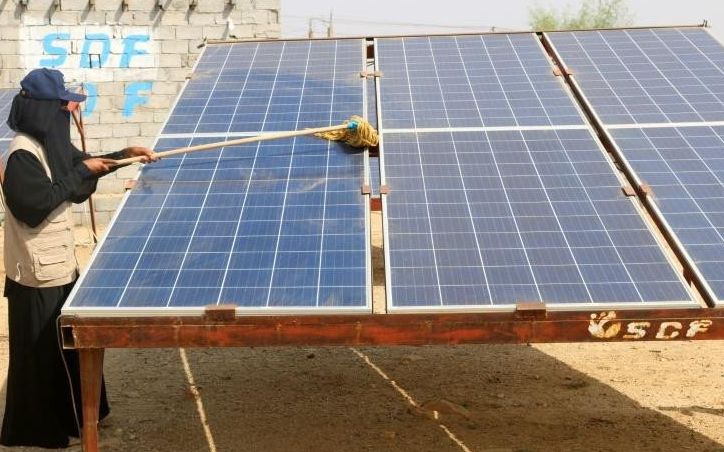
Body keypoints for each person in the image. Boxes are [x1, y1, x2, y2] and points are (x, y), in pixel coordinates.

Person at [0, 68, 157, 448]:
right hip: (36, 277)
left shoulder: (51, 145)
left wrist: (122, 157)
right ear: (42, 110)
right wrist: (81, 173)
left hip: (60, 265)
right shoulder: (23, 154)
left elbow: (81, 167)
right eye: (62, 106)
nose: (68, 113)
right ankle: (42, 430)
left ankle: (78, 418)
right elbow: (34, 205)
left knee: (67, 349)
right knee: (41, 355)